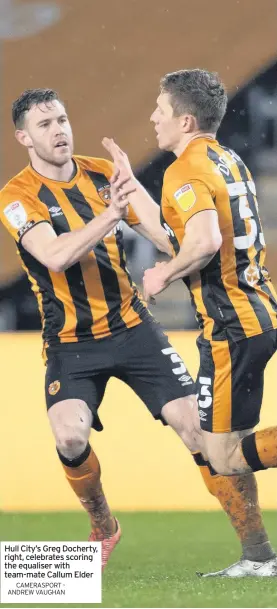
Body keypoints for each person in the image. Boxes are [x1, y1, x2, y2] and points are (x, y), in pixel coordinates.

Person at [0, 88, 205, 571]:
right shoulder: (16, 196)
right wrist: (111, 213)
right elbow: (53, 255)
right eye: (46, 124)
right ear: (23, 137)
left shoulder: (103, 174)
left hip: (134, 328)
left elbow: (164, 237)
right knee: (69, 439)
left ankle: (255, 552)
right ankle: (104, 525)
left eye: (63, 119)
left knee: (199, 431)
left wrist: (138, 195)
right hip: (71, 342)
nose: (60, 131)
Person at [103, 68, 277, 577]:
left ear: (184, 119)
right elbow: (182, 235)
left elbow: (201, 245)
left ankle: (258, 557)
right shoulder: (226, 159)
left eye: (160, 109)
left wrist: (161, 277)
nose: (153, 117)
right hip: (256, 314)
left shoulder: (185, 171)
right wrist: (133, 190)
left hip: (231, 327)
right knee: (228, 446)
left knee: (220, 457)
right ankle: (259, 559)